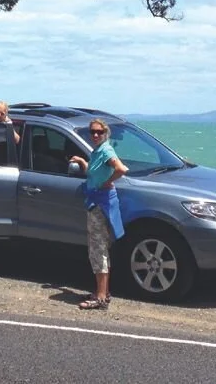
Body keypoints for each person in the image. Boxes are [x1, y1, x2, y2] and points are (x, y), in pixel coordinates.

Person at [69, 119, 127, 310]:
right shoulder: (99, 151)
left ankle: (100, 297)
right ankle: (104, 292)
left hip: (100, 203)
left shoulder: (106, 150)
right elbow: (95, 174)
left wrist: (107, 183)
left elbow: (121, 169)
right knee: (100, 248)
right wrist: (84, 162)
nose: (95, 135)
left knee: (98, 249)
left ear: (105, 132)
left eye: (99, 132)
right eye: (92, 132)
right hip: (97, 201)